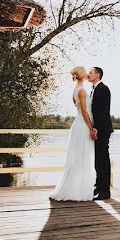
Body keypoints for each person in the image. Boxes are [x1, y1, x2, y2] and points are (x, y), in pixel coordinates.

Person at [49, 66, 96, 201]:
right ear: (81, 75)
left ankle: (76, 188)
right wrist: (91, 128)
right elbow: (85, 111)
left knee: (79, 157)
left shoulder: (76, 90)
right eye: (86, 72)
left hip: (78, 124)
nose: (88, 74)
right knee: (82, 157)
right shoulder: (81, 91)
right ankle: (78, 191)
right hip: (82, 126)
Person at [88, 66, 113, 200]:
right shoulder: (93, 89)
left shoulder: (103, 89)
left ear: (97, 75)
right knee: (98, 160)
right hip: (97, 129)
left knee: (103, 159)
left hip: (102, 130)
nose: (88, 74)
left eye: (90, 73)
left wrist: (96, 128)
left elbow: (103, 112)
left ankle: (105, 191)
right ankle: (98, 186)